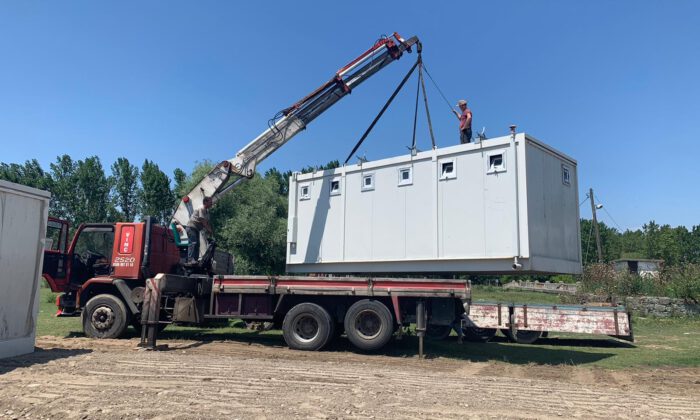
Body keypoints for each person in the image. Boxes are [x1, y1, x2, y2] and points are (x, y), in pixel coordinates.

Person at [186, 196, 213, 264]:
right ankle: (190, 260)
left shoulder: (206, 211)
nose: (212, 203)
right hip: (191, 227)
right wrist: (209, 230)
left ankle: (195, 260)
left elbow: (207, 223)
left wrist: (210, 230)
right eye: (210, 202)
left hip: (196, 229)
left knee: (197, 245)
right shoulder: (201, 208)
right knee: (193, 243)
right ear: (205, 202)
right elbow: (203, 221)